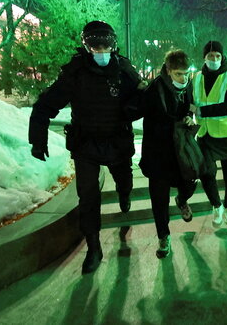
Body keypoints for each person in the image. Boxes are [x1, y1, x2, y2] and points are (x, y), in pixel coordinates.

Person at [28, 20, 143, 274]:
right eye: (95, 45)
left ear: (113, 45)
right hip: (86, 144)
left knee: (124, 181)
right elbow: (46, 103)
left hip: (117, 141)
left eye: (105, 45)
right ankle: (93, 247)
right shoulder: (75, 73)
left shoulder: (124, 69)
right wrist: (38, 139)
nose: (101, 51)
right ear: (87, 46)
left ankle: (125, 195)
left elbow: (146, 98)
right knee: (88, 197)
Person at [139, 49, 198, 258]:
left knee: (191, 182)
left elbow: (191, 104)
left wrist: (190, 116)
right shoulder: (155, 89)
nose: (184, 78)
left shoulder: (188, 85)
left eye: (186, 73)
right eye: (179, 74)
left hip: (180, 149)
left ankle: (182, 200)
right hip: (158, 152)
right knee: (159, 197)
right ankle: (163, 236)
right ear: (168, 70)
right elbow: (138, 109)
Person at [193, 41, 227, 227]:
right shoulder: (196, 78)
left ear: (222, 57)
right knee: (206, 172)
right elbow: (188, 101)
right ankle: (216, 205)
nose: (214, 59)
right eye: (210, 56)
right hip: (205, 135)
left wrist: (200, 111)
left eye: (217, 56)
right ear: (204, 58)